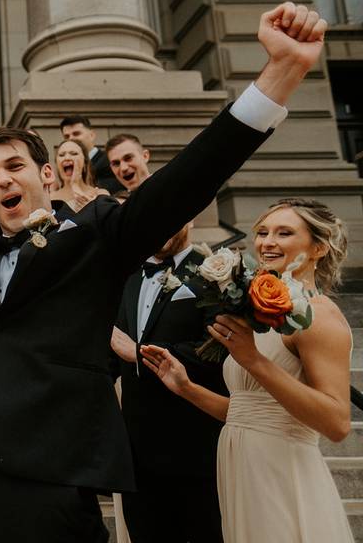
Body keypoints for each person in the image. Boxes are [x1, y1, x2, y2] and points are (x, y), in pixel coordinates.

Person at [0, 1, 327, 542]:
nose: (1, 181)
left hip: (52, 466)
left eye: (14, 166)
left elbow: (189, 177)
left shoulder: (99, 236)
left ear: (45, 173)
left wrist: (282, 73)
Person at [141, 198, 353, 543]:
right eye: (262, 232)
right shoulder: (260, 317)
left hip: (282, 471)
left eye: (284, 233)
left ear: (318, 248)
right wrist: (185, 388)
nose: (267, 242)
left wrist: (253, 359)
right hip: (241, 466)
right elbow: (250, 412)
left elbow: (337, 423)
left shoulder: (319, 316)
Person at [110, 222, 227, 543]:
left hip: (195, 447)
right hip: (137, 453)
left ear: (190, 220)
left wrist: (140, 354)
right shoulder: (129, 277)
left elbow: (217, 348)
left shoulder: (214, 273)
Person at [61, 115, 124, 193]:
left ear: (92, 135)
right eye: (66, 136)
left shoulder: (109, 160)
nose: (71, 139)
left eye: (76, 134)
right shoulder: (64, 169)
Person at [47, 138, 109, 212]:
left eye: (74, 153)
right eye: (61, 155)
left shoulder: (100, 194)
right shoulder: (50, 198)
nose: (67, 158)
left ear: (85, 163)